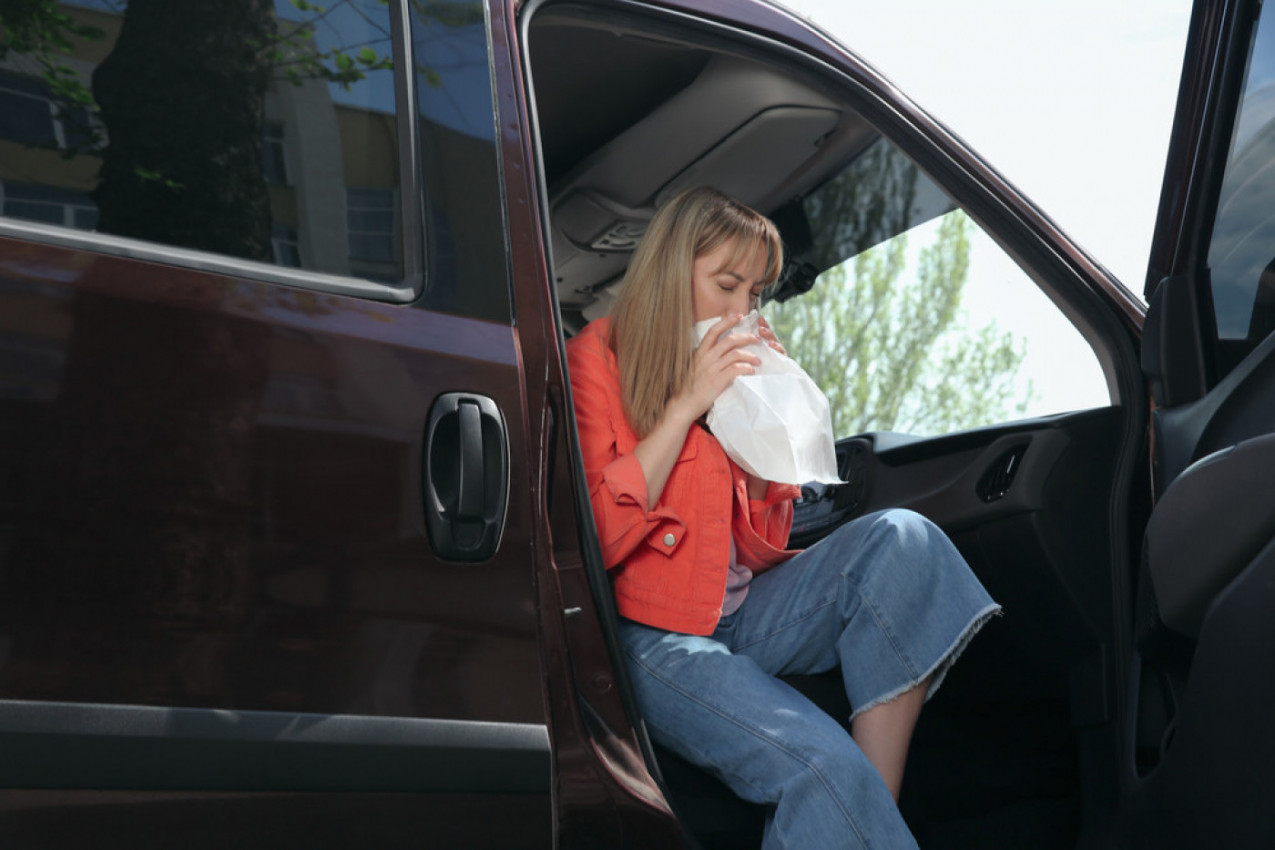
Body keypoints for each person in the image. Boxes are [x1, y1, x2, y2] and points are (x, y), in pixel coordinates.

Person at [565, 185, 1000, 849]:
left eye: (756, 294)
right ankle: (852, 810)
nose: (742, 311)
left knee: (903, 541)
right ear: (667, 277)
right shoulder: (593, 361)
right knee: (818, 767)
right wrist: (685, 406)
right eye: (726, 285)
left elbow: (762, 544)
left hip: (743, 616)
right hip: (647, 636)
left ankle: (864, 812)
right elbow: (595, 538)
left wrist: (774, 421)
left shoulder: (730, 380)